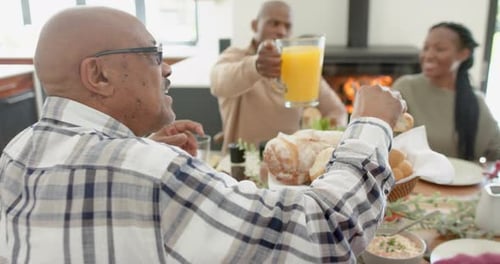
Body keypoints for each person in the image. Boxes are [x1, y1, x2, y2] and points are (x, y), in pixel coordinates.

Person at [0, 6, 406, 263]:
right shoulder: (152, 172)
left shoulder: (15, 152)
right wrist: (372, 125)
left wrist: (139, 149)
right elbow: (324, 234)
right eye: (153, 55)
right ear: (99, 74)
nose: (167, 69)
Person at [210, 1, 347, 152]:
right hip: (242, 165)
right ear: (255, 25)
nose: (281, 31)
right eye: (274, 23)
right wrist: (256, 66)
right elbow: (218, 82)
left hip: (289, 165)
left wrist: (323, 142)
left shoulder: (300, 65)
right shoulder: (237, 55)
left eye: (287, 26)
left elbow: (337, 110)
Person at [392, 22, 500, 161]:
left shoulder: (476, 101)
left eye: (440, 49)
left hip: (468, 181)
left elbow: (496, 149)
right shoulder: (406, 87)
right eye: (426, 48)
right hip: (417, 182)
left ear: (463, 54)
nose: (428, 55)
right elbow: (387, 141)